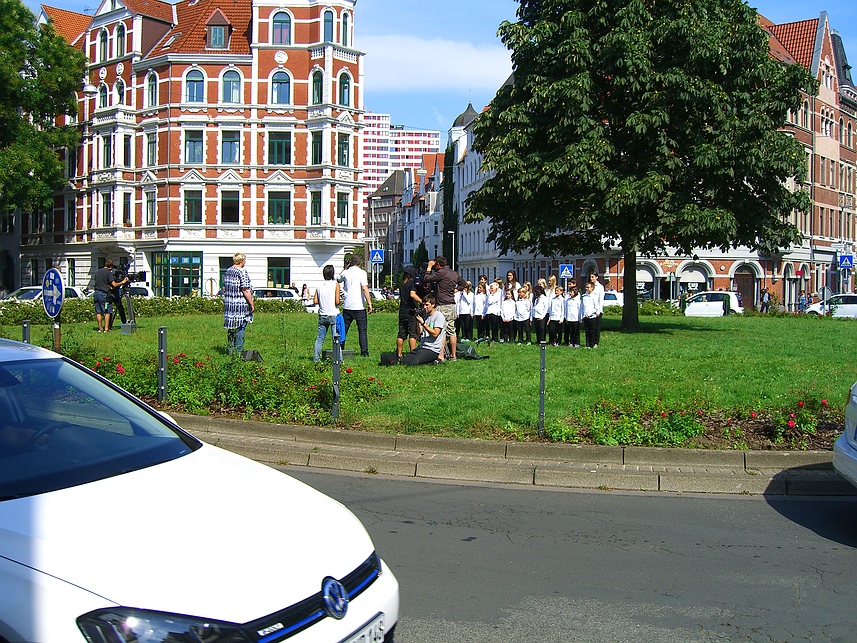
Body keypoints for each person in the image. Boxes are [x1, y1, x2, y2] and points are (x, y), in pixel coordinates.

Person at [422, 256, 464, 360]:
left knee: (442, 331)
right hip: (451, 305)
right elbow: (463, 284)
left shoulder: (441, 273)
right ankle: (453, 355)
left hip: (442, 305)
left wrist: (428, 268)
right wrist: (455, 290)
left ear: (438, 264)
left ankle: (441, 356)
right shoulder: (454, 273)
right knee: (452, 331)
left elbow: (426, 278)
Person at [337, 254, 373, 357]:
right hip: (359, 307)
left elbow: (338, 279)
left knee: (344, 329)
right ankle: (364, 352)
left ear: (350, 263)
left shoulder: (346, 273)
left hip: (347, 306)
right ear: (360, 263)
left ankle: (339, 348)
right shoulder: (362, 273)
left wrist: (345, 268)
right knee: (362, 330)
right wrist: (369, 303)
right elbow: (364, 288)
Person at [223, 253, 254, 355]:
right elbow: (245, 289)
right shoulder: (242, 272)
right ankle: (238, 352)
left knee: (231, 328)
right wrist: (251, 304)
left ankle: (230, 351)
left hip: (229, 304)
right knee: (240, 327)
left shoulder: (228, 271)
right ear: (241, 261)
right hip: (240, 305)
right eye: (244, 260)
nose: (245, 262)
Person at [400, 295, 446, 366]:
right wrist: (418, 321)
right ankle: (429, 361)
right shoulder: (426, 316)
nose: (425, 307)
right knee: (404, 361)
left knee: (413, 363)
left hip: (432, 349)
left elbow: (435, 334)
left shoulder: (438, 316)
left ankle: (435, 362)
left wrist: (423, 323)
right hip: (422, 346)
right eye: (423, 305)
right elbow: (420, 332)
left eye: (427, 305)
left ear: (433, 305)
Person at [312, 265, 341, 362]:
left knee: (319, 339)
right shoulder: (336, 284)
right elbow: (337, 302)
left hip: (322, 315)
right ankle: (338, 359)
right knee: (336, 339)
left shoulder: (319, 286)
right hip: (333, 314)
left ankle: (316, 359)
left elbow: (315, 300)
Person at [397, 266, 422, 360]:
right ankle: (412, 354)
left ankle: (399, 354)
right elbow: (412, 294)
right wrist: (421, 301)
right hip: (410, 311)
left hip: (402, 310)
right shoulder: (412, 283)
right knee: (413, 333)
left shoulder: (402, 284)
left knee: (401, 333)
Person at [93, 259, 117, 332]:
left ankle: (100, 328)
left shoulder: (97, 272)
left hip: (96, 293)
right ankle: (106, 329)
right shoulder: (108, 273)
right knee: (107, 311)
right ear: (110, 266)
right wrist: (123, 282)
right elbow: (114, 284)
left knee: (98, 312)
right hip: (104, 295)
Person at [107, 264, 130, 331]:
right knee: (116, 309)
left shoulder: (113, 275)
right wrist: (123, 282)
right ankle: (123, 322)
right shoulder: (114, 276)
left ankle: (109, 325)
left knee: (115, 309)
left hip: (114, 293)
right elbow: (114, 284)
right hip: (113, 294)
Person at [581, 280, 599, 348]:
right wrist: (583, 315)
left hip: (592, 316)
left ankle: (592, 343)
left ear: (592, 288)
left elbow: (596, 307)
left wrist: (590, 314)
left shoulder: (594, 296)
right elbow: (583, 307)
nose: (587, 289)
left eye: (588, 287)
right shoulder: (584, 296)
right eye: (586, 287)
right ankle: (587, 344)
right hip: (585, 316)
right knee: (587, 331)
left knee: (592, 331)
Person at [588, 271, 605, 345]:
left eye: (593, 277)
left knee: (596, 327)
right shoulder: (589, 286)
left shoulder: (600, 287)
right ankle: (590, 342)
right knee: (590, 327)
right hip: (590, 310)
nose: (591, 278)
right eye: (590, 277)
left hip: (597, 310)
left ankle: (596, 342)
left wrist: (599, 310)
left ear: (596, 277)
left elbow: (600, 299)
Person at [564, 281, 582, 347]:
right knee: (571, 331)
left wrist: (580, 318)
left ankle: (576, 342)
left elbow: (579, 310)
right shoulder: (568, 300)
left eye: (571, 292)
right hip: (569, 318)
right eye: (569, 292)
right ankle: (571, 342)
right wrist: (566, 317)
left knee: (576, 331)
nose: (570, 293)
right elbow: (566, 309)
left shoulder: (577, 301)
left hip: (575, 318)